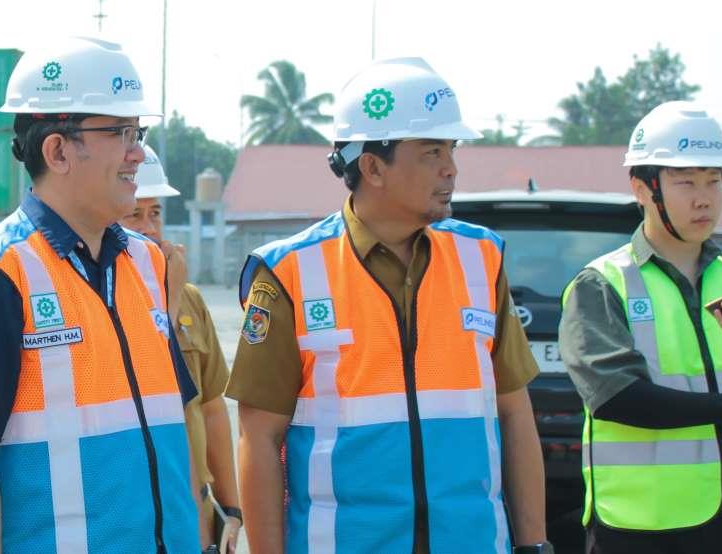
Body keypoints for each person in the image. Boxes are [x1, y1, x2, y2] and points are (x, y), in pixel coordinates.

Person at [226, 57, 550, 553]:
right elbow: (259, 438)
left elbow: (514, 413)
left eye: (451, 149)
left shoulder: (480, 258)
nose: (451, 168)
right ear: (372, 166)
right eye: (431, 152)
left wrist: (534, 544)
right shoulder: (289, 272)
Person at [0, 37, 200, 553]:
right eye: (121, 132)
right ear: (57, 150)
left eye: (138, 132)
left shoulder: (148, 264)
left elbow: (177, 419)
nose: (139, 152)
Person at [559, 101, 722, 554]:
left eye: (714, 180)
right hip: (639, 524)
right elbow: (615, 396)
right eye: (686, 181)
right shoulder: (601, 283)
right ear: (642, 188)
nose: (704, 197)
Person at [121, 145, 242, 552]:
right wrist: (165, 306)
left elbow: (211, 408)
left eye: (154, 213)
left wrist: (230, 507)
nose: (150, 228)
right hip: (134, 521)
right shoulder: (99, 299)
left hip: (196, 518)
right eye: (134, 214)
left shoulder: (188, 297)